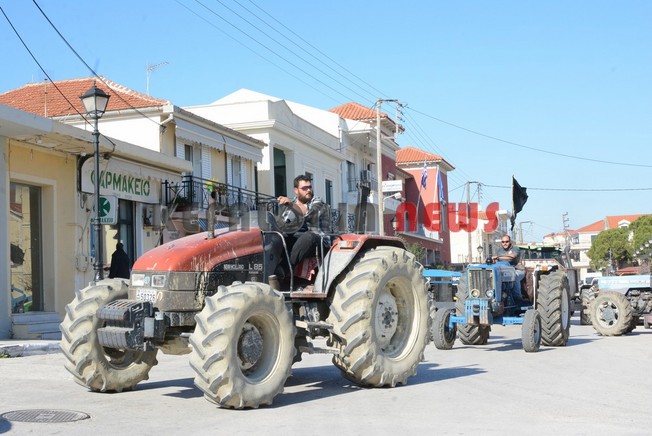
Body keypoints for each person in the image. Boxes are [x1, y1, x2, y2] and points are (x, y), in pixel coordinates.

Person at [277, 175, 330, 268]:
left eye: (310, 187)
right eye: (304, 188)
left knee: (308, 236)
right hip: (299, 238)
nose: (308, 190)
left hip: (320, 241)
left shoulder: (318, 202)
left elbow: (307, 212)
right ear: (296, 190)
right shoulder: (291, 203)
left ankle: (286, 269)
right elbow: (282, 223)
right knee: (279, 237)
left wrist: (290, 204)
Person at [492, 235, 525, 305]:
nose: (505, 243)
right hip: (504, 271)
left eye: (506, 241)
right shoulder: (499, 250)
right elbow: (495, 260)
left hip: (517, 269)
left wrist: (498, 257)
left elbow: (512, 257)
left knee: (515, 275)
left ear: (510, 242)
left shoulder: (515, 249)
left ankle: (517, 298)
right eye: (503, 242)